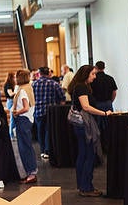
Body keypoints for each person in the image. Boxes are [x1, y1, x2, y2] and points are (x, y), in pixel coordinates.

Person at [68, 65, 109, 197]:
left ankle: (83, 186)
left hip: (81, 125)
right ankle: (86, 187)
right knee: (88, 154)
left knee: (83, 154)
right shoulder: (81, 87)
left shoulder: (80, 86)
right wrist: (104, 113)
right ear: (86, 74)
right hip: (84, 125)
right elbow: (86, 107)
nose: (94, 77)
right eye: (92, 74)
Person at [32, 66, 65, 160]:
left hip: (38, 110)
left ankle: (42, 150)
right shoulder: (54, 84)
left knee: (40, 131)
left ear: (40, 73)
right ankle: (47, 150)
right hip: (51, 111)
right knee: (48, 131)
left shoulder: (34, 84)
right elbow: (62, 97)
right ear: (49, 73)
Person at [11, 69, 37, 184]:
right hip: (28, 119)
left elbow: (25, 107)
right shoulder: (29, 87)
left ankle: (30, 172)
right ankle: (31, 172)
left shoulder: (22, 90)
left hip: (23, 120)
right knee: (27, 146)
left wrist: (17, 112)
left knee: (24, 147)